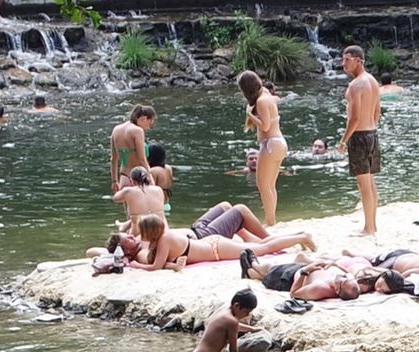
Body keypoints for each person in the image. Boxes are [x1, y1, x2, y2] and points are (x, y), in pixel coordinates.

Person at [132, 213, 315, 270]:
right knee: (260, 245)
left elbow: (156, 266)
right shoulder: (164, 237)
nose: (139, 234)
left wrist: (135, 264)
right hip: (212, 244)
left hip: (216, 249)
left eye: (141, 231)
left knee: (263, 248)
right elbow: (163, 263)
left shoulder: (164, 240)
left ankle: (301, 237)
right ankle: (298, 235)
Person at [340, 46, 383, 235]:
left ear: (359, 60)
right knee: (370, 182)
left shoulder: (356, 85)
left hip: (360, 136)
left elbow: (355, 118)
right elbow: (377, 112)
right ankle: (372, 225)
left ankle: (368, 227)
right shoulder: (372, 81)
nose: (343, 64)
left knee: (364, 185)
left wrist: (343, 141)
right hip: (372, 133)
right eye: (343, 59)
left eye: (347, 60)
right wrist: (370, 127)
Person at [237, 71, 287, 227]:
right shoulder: (266, 93)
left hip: (270, 144)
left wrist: (249, 115)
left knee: (263, 185)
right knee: (270, 185)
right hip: (279, 142)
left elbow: (265, 126)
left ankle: (270, 220)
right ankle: (271, 219)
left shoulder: (261, 101)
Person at [183, 289, 264, 352]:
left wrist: (252, 329)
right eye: (246, 311)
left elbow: (235, 326)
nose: (247, 315)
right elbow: (233, 347)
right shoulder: (231, 321)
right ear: (236, 305)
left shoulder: (226, 312)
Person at [248, 258, 361, 302]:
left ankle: (252, 265)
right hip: (300, 269)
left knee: (268, 268)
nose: (343, 276)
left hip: (287, 278)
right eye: (347, 277)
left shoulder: (320, 289)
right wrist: (334, 264)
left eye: (343, 280)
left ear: (337, 290)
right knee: (266, 269)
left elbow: (294, 294)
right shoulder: (346, 283)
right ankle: (253, 270)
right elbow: (349, 274)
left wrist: (305, 271)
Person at [111, 106, 155, 191]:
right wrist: (150, 178)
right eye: (149, 123)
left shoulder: (116, 129)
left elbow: (113, 159)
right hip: (139, 177)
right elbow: (142, 160)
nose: (148, 128)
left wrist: (114, 180)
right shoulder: (138, 131)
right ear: (144, 118)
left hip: (124, 177)